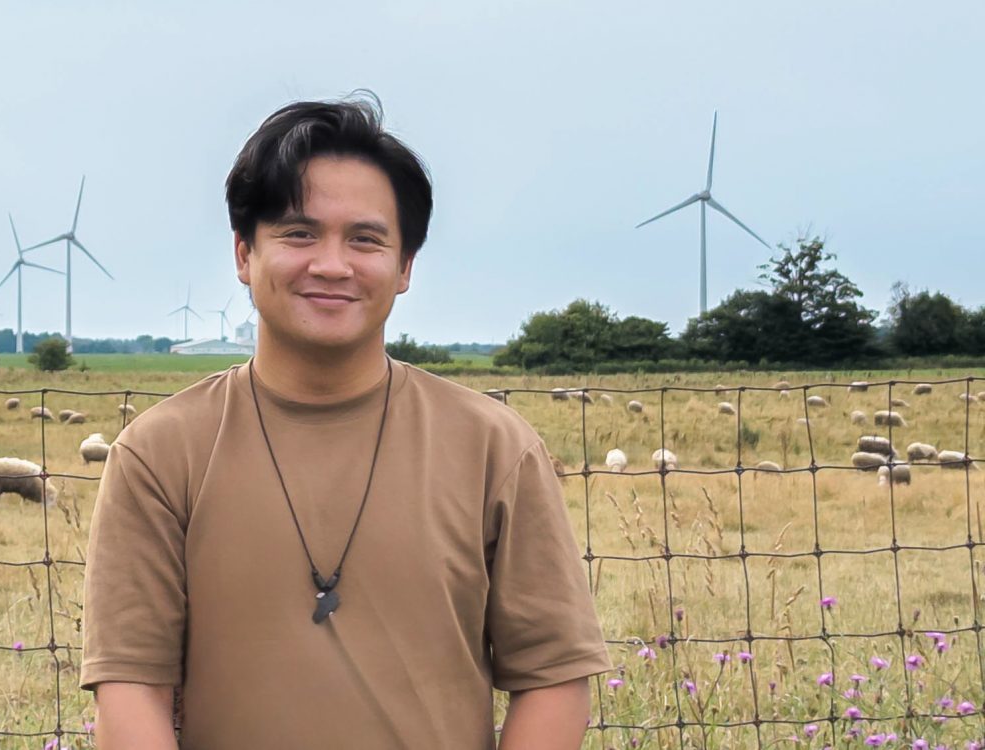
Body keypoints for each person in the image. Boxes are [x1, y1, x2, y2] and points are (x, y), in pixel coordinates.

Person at [81, 93, 610, 749]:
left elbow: (554, 679)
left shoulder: (494, 448)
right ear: (244, 254)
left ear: (405, 267)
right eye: (298, 233)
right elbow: (130, 687)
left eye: (365, 239)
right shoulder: (160, 454)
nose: (331, 265)